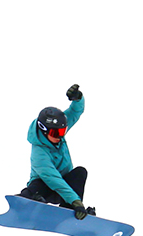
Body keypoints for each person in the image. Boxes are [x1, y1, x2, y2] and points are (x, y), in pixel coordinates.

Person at [19, 83, 94, 219]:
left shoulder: (57, 135)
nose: (60, 136)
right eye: (55, 132)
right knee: (39, 183)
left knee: (80, 172)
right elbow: (52, 179)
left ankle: (70, 211)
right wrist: (75, 200)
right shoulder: (39, 153)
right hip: (46, 188)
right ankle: (27, 202)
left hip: (64, 189)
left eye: (62, 131)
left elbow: (74, 113)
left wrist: (78, 99)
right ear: (43, 129)